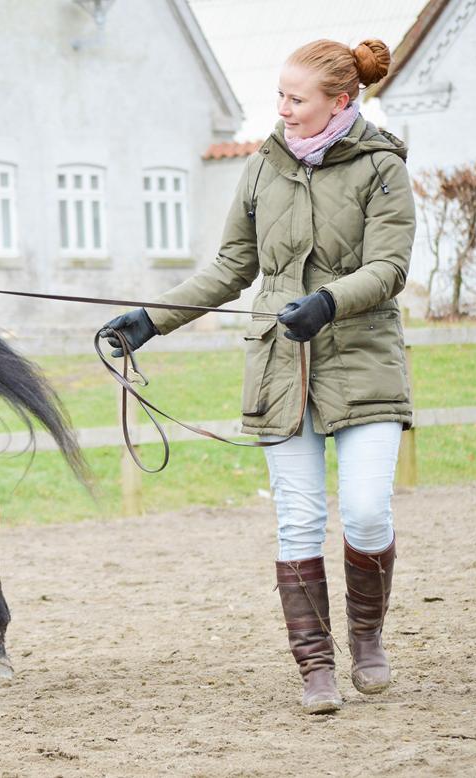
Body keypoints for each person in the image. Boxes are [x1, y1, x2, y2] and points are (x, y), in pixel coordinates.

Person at [103, 38, 414, 714]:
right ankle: (316, 669)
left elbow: (390, 267)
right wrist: (152, 320)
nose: (282, 109)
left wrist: (330, 301)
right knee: (299, 521)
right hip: (280, 367)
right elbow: (230, 268)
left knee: (364, 509)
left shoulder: (383, 169)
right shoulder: (261, 168)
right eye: (279, 95)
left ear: (340, 101)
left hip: (363, 360)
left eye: (295, 99)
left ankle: (367, 639)